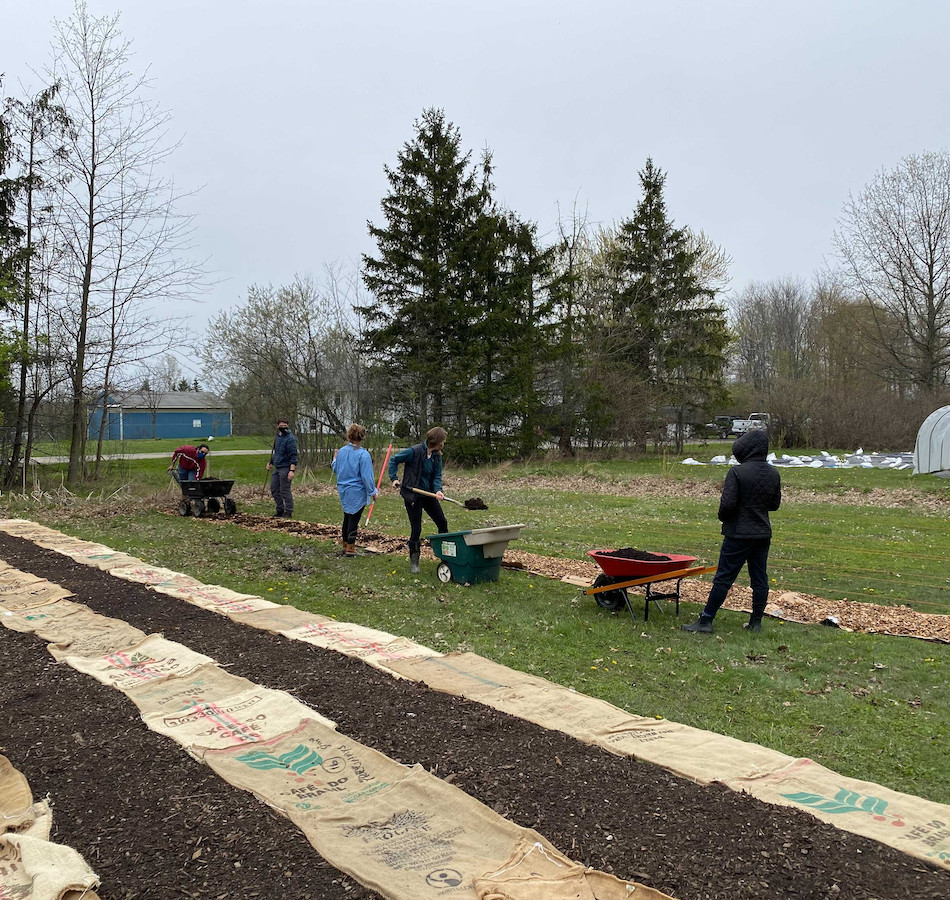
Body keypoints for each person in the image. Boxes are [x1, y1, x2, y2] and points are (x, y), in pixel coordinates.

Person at [682, 427, 782, 634]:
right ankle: (756, 622)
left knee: (724, 577)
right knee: (759, 578)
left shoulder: (737, 472)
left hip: (738, 533)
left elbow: (727, 505)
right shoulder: (774, 473)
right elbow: (774, 505)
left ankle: (706, 620)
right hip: (762, 533)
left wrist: (725, 519)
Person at [388, 426, 448, 573]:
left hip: (428, 495)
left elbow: (437, 476)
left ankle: (446, 556)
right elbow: (394, 460)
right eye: (443, 441)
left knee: (442, 522)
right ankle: (414, 562)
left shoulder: (436, 456)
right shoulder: (413, 451)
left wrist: (438, 490)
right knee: (416, 528)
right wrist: (394, 478)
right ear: (438, 441)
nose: (444, 443)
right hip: (412, 495)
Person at [331, 424, 379, 557]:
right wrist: (373, 492)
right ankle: (350, 548)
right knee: (353, 519)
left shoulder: (341, 452)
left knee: (347, 517)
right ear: (362, 437)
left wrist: (334, 459)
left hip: (343, 490)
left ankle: (345, 544)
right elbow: (367, 477)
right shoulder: (363, 455)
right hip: (356, 491)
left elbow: (335, 469)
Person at [266, 418, 298, 518]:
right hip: (277, 466)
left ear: (288, 426)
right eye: (281, 425)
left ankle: (288, 511)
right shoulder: (278, 437)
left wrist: (292, 470)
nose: (283, 427)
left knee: (284, 490)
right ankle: (279, 509)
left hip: (286, 467)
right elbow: (277, 452)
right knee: (274, 489)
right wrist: (270, 462)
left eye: (285, 426)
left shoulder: (290, 439)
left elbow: (293, 456)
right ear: (277, 426)